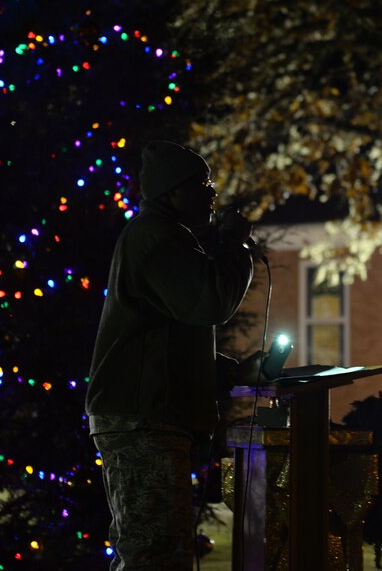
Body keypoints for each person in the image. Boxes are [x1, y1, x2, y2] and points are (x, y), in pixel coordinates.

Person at [86, 140, 259, 570]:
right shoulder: (156, 237)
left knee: (156, 547)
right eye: (203, 184)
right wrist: (236, 248)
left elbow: (165, 339)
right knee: (155, 552)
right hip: (143, 418)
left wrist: (227, 373)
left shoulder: (166, 237)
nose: (212, 194)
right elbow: (209, 303)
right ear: (172, 192)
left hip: (149, 413)